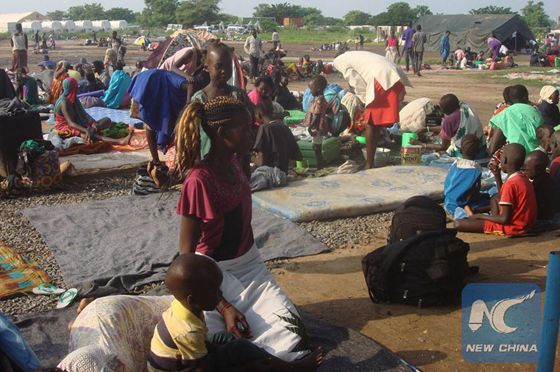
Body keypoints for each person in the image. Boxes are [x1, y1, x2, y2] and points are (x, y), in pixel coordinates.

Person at [174, 96, 313, 363]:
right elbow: (187, 262)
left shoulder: (239, 164)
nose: (253, 132)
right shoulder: (198, 181)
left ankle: (257, 360)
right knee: (213, 347)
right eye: (246, 128)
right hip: (212, 280)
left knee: (296, 341)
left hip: (253, 272)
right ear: (223, 132)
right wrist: (222, 304)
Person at [148, 254, 322, 371]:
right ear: (193, 300)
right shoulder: (187, 330)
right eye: (216, 291)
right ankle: (293, 368)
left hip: (190, 357)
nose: (221, 295)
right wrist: (247, 367)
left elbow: (201, 345)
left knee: (229, 341)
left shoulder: (185, 308)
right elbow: (201, 369)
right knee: (245, 354)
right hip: (184, 368)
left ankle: (267, 360)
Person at [191, 41, 253, 162]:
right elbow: (194, 136)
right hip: (208, 159)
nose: (224, 71)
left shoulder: (238, 95)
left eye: (228, 66)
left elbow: (249, 124)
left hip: (236, 161)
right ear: (206, 66)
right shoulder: (199, 99)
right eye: (219, 66)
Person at [455, 143, 537, 235]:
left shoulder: (510, 184)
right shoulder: (523, 178)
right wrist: (497, 176)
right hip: (526, 224)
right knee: (495, 198)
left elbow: (504, 219)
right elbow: (503, 197)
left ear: (505, 160)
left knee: (458, 223)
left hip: (514, 227)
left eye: (500, 157)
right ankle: (492, 219)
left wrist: (479, 216)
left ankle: (492, 221)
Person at [54, 78, 124, 144]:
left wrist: (93, 123)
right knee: (88, 136)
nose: (77, 88)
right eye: (76, 87)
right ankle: (118, 141)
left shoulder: (73, 99)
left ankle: (92, 131)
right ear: (72, 88)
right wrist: (86, 131)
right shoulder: (64, 102)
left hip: (77, 123)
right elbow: (70, 123)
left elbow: (84, 114)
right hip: (65, 127)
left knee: (107, 120)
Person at [416, 94, 485, 158]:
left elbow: (444, 147)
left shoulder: (449, 120)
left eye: (442, 109)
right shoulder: (465, 108)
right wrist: (426, 129)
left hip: (465, 154)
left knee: (434, 155)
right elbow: (450, 129)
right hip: (480, 150)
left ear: (445, 110)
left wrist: (423, 145)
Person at [444, 134, 490, 219]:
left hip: (448, 201)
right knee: (490, 199)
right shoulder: (476, 168)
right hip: (462, 203)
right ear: (477, 152)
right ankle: (469, 211)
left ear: (460, 149)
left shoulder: (455, 163)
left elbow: (448, 181)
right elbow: (475, 189)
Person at [488, 85, 544, 155]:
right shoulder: (536, 112)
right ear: (526, 97)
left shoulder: (506, 113)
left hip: (516, 157)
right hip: (537, 156)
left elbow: (493, 148)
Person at [253, 99, 302, 173]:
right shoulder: (284, 127)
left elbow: (260, 162)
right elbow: (297, 155)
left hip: (270, 173)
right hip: (284, 172)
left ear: (259, 114)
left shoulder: (264, 128)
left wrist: (250, 157)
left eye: (255, 114)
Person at [302, 76, 329, 169]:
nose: (310, 92)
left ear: (317, 89)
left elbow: (317, 115)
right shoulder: (318, 98)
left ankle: (320, 165)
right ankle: (320, 162)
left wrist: (310, 127)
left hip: (317, 126)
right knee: (316, 146)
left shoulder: (319, 100)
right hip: (316, 126)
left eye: (311, 89)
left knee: (317, 147)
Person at [524, 150, 555, 220]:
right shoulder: (548, 178)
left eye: (527, 170)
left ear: (538, 169)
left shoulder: (538, 184)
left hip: (544, 218)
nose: (525, 172)